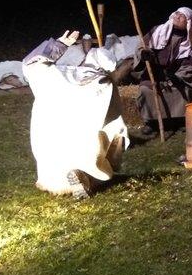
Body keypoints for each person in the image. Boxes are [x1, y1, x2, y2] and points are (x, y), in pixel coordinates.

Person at [22, 30, 129, 199]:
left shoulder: (57, 74)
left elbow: (31, 65)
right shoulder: (103, 84)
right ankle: (85, 177)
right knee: (94, 161)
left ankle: (69, 179)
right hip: (83, 140)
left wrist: (59, 45)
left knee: (57, 163)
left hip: (54, 138)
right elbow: (115, 125)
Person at [133, 7, 192, 135]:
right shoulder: (157, 30)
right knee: (145, 90)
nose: (177, 16)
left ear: (188, 22)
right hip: (154, 72)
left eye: (182, 16)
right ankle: (151, 122)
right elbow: (142, 45)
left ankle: (180, 120)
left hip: (177, 74)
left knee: (183, 90)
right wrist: (144, 53)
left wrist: (178, 76)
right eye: (177, 13)